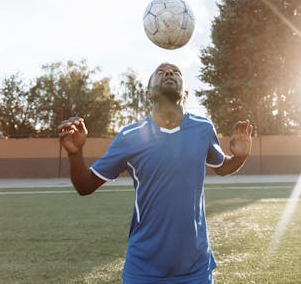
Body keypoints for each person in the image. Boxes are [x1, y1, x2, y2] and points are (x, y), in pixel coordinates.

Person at [58, 62, 253, 284]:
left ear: (186, 93)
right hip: (143, 269)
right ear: (149, 93)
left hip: (195, 268)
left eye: (176, 72)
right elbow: (85, 186)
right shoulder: (129, 136)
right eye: (160, 72)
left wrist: (239, 157)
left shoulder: (203, 128)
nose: (169, 73)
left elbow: (222, 168)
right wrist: (75, 154)